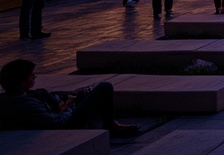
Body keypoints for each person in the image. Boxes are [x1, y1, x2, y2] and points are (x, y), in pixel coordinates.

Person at [0, 59, 138, 136]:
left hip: (57, 114)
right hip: (66, 124)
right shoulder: (26, 104)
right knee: (104, 87)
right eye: (32, 75)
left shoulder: (11, 97)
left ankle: (107, 122)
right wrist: (68, 107)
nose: (34, 77)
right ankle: (110, 126)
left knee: (84, 94)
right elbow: (56, 123)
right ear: (22, 81)